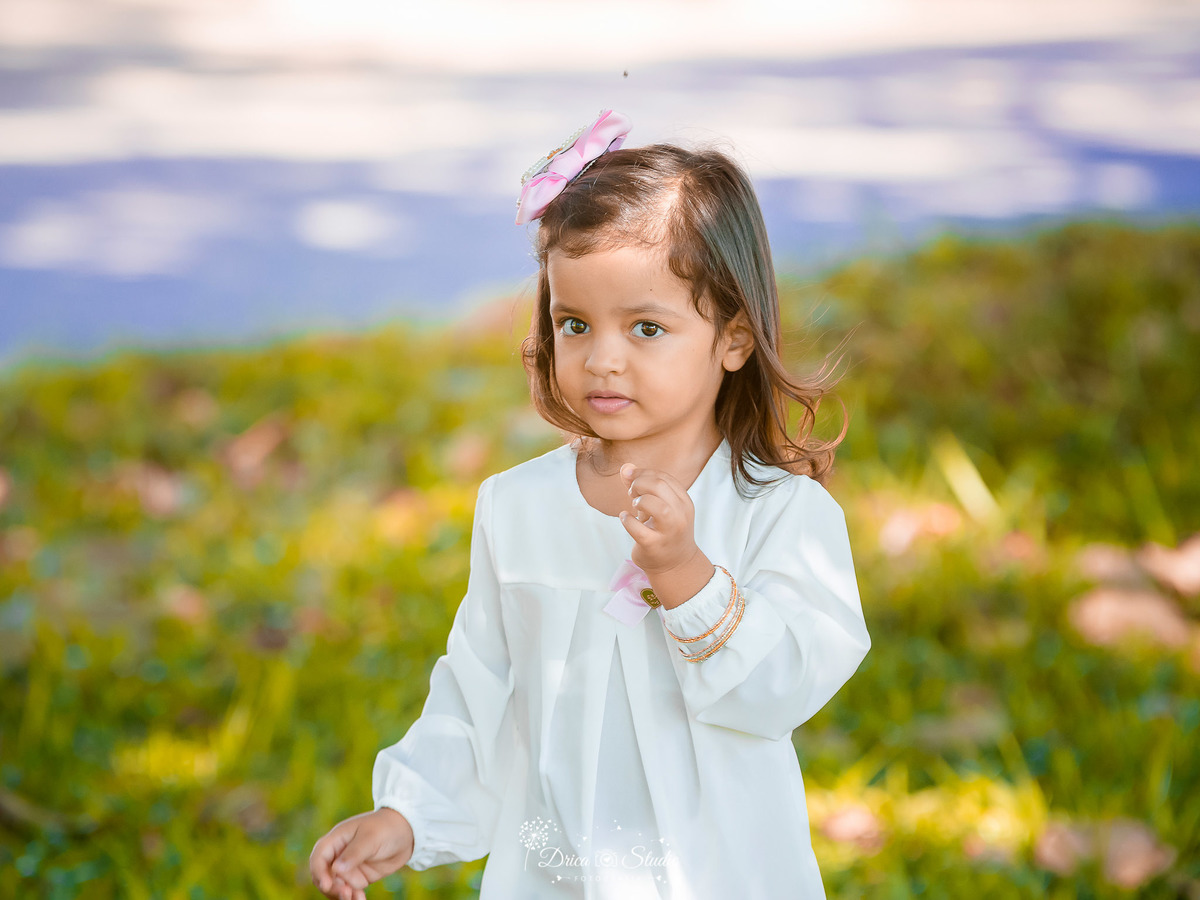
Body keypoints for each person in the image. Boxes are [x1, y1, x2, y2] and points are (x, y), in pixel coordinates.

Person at [310, 109, 872, 899]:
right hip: (557, 871)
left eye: (646, 327)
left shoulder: (777, 514)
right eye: (575, 323)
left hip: (718, 875)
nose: (602, 359)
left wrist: (686, 573)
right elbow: (481, 690)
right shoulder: (519, 508)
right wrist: (408, 813)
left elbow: (779, 689)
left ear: (734, 339)